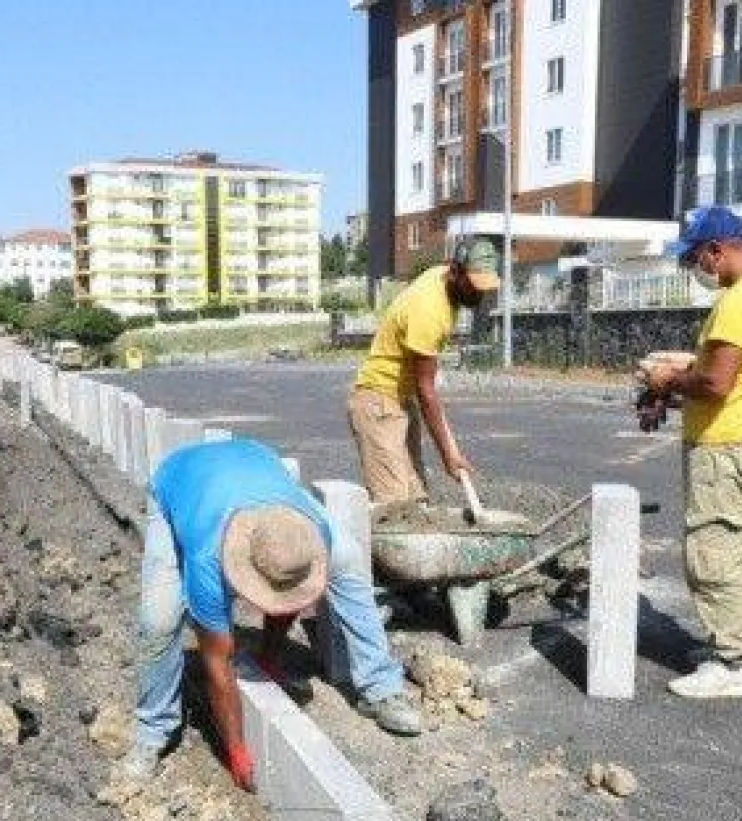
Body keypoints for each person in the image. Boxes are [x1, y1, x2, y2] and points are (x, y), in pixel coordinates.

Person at [122, 437, 422, 789]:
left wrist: (268, 658)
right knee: (158, 620)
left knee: (350, 561)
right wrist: (235, 749)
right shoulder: (207, 563)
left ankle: (380, 687)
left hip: (256, 463)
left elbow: (289, 589)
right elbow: (217, 664)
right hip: (179, 482)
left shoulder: (311, 534)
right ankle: (153, 729)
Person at [638, 206, 742, 699]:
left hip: (723, 449)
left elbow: (716, 381)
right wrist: (678, 379)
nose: (698, 271)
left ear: (718, 250)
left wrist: (667, 379)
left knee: (713, 552)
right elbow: (728, 373)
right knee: (736, 549)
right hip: (741, 442)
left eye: (698, 260)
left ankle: (732, 665)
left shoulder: (740, 302)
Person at [348, 239, 501, 505]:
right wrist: (448, 457)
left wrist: (450, 450)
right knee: (393, 507)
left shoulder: (441, 280)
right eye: (473, 286)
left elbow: (422, 391)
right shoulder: (429, 309)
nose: (479, 295)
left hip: (401, 401)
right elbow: (426, 390)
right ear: (455, 271)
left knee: (417, 499)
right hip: (378, 403)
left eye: (484, 288)